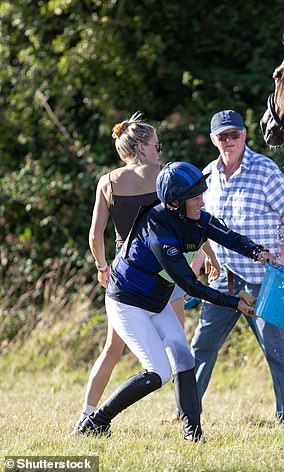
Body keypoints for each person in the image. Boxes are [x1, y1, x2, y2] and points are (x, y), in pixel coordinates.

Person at [75, 161, 274, 441]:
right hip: (126, 302)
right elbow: (190, 285)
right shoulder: (159, 232)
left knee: (183, 357)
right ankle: (96, 422)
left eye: (201, 194)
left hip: (155, 301)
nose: (201, 201)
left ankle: (193, 434)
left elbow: (228, 236)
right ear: (175, 203)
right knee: (158, 371)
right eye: (195, 197)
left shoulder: (194, 217)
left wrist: (258, 252)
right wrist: (235, 303)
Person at [75, 113, 220, 431]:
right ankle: (186, 420)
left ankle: (87, 413)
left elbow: (95, 235)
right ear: (141, 147)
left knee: (112, 349)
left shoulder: (108, 182)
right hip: (167, 271)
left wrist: (102, 266)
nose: (160, 151)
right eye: (157, 145)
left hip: (126, 274)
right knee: (178, 347)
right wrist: (209, 256)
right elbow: (190, 221)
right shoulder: (165, 177)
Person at [190, 110, 284, 423]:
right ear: (214, 139)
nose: (229, 141)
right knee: (202, 345)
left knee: (274, 347)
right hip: (224, 279)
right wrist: (197, 266)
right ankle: (187, 410)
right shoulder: (207, 177)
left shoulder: (264, 169)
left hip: (264, 279)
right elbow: (203, 230)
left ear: (244, 135)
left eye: (234, 134)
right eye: (222, 136)